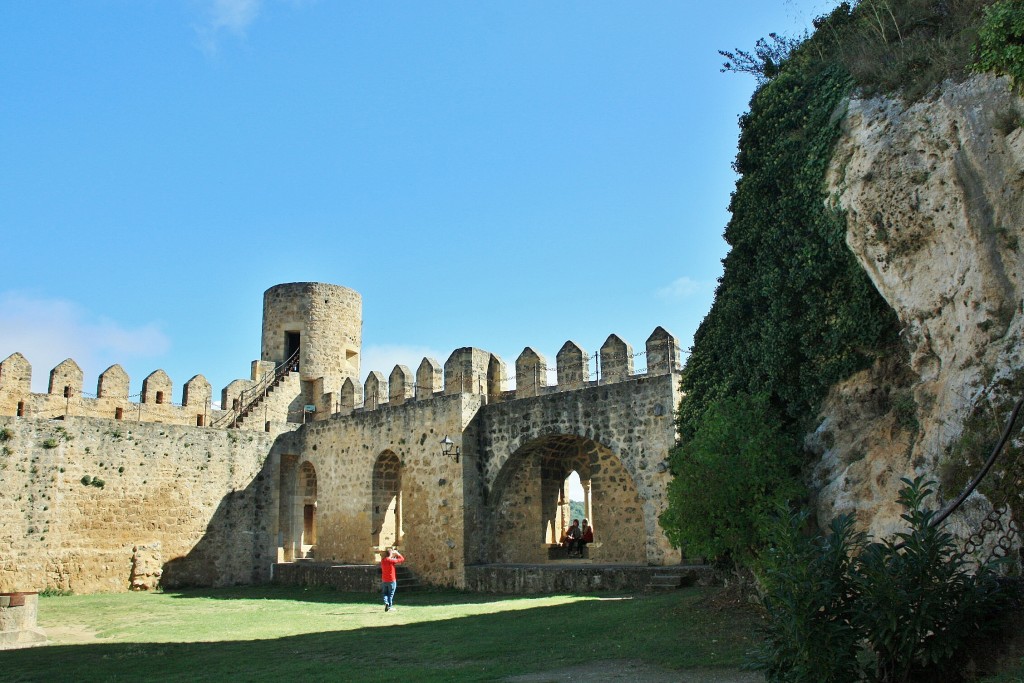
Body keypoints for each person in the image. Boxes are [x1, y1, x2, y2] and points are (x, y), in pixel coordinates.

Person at [380, 547, 405, 612]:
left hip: (384, 580)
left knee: (385, 593)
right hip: (391, 580)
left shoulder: (383, 560)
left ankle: (386, 603)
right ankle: (390, 607)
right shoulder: (391, 561)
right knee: (390, 594)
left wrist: (392, 555)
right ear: (390, 554)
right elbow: (402, 559)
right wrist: (397, 553)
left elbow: (389, 559)